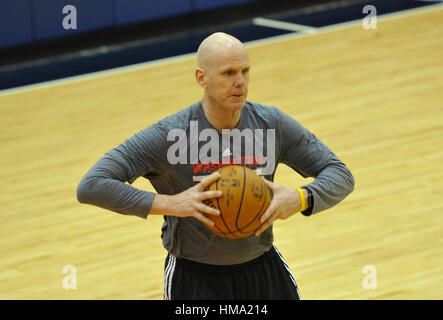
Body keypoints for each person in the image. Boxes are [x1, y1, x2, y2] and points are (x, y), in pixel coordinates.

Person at [77, 32, 354, 300]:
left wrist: (302, 197)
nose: (240, 83)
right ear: (202, 78)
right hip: (195, 279)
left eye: (245, 71)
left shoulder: (271, 125)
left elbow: (340, 174)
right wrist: (171, 203)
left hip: (263, 270)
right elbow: (92, 185)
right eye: (228, 73)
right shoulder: (171, 135)